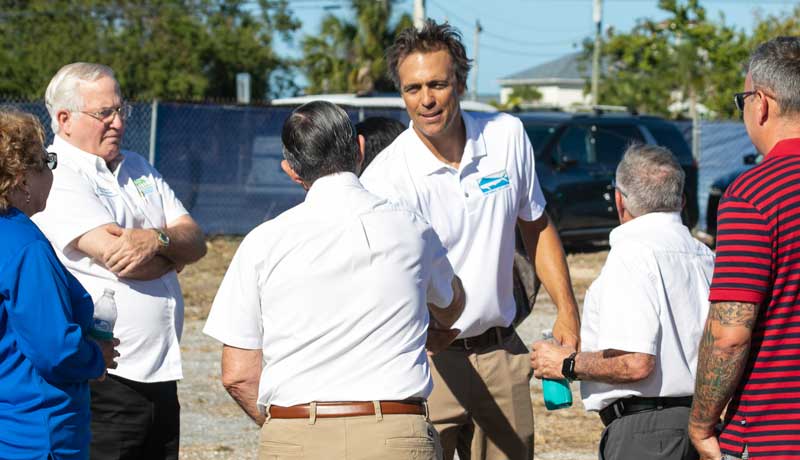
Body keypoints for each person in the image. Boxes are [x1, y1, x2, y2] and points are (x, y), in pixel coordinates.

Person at [359, 19, 581, 460]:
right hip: (424, 363)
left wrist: (569, 312)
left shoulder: (506, 136)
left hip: (500, 354)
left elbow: (535, 225)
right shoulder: (385, 177)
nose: (426, 100)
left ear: (459, 82)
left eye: (437, 84)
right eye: (412, 88)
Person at [203, 100, 466, 459]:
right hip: (394, 431)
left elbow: (237, 374)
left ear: (291, 171)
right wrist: (434, 326)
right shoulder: (412, 227)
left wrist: (288, 429)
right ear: (359, 150)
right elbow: (451, 303)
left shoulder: (262, 242)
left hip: (294, 434)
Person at [32, 62, 207, 460]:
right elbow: (121, 258)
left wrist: (156, 239)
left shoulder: (138, 166)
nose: (117, 122)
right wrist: (172, 252)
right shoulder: (55, 174)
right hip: (105, 378)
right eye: (103, 113)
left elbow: (196, 241)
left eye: (120, 110)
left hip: (159, 374)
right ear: (64, 119)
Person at [530, 144, 714, 460]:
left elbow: (636, 362)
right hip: (703, 424)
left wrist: (566, 364)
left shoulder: (632, 255)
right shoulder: (706, 258)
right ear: (681, 200)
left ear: (619, 199)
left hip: (647, 432)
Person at [689, 36, 800, 460]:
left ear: (762, 103)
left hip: (774, 434)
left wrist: (701, 424)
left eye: (743, 98)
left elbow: (729, 336)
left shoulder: (755, 194)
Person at [0, 109, 118, 459]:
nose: (52, 172)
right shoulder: (25, 246)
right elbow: (54, 348)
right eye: (46, 161)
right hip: (36, 432)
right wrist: (96, 358)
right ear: (22, 179)